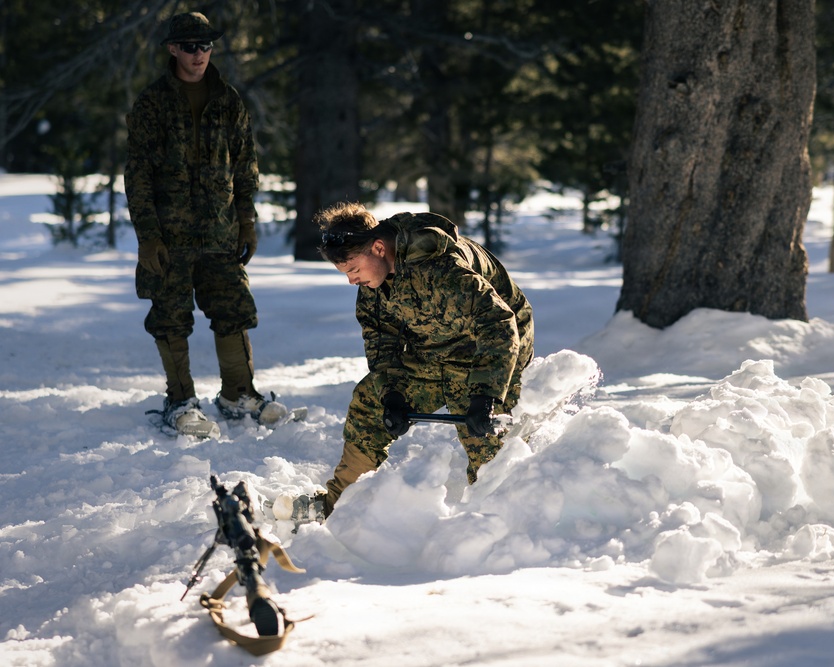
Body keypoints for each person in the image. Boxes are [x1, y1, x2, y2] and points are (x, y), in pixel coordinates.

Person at [313, 202, 534, 517]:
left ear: (378, 248)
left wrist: (485, 395)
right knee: (369, 405)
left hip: (491, 348)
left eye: (353, 270)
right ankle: (339, 507)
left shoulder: (442, 268)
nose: (351, 281)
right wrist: (391, 394)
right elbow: (380, 338)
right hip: (434, 343)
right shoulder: (374, 285)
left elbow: (499, 324)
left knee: (484, 433)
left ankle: (498, 519)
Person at [125, 12, 287, 437]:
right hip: (169, 236)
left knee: (234, 310)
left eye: (207, 46)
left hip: (220, 233)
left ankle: (239, 394)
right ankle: (180, 402)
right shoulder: (153, 103)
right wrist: (148, 238)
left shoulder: (229, 100)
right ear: (174, 49)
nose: (200, 54)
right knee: (170, 318)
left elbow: (246, 167)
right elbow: (138, 174)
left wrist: (247, 223)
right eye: (191, 46)